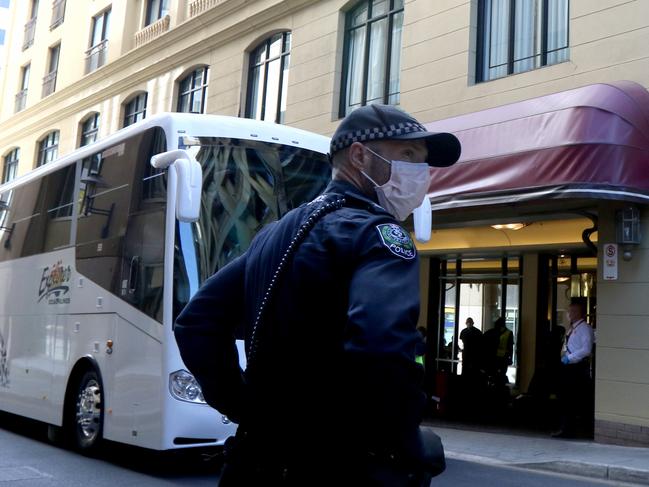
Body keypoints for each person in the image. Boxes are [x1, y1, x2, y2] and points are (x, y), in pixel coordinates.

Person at [174, 104, 461, 486]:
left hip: (254, 461)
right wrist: (406, 439)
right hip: (335, 463)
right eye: (408, 156)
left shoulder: (273, 234)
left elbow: (196, 323)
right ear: (360, 155)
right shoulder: (377, 235)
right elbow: (381, 346)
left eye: (423, 163)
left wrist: (247, 407)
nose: (419, 174)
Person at [552, 299, 595, 438]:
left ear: (578, 313)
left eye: (571, 311)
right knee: (564, 398)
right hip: (568, 367)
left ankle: (570, 429)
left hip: (576, 368)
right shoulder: (572, 328)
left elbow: (586, 349)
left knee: (572, 398)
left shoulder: (584, 329)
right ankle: (565, 427)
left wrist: (569, 358)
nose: (569, 314)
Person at [483, 317, 513, 386]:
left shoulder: (492, 332)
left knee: (498, 376)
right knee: (497, 376)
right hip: (496, 357)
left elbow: (510, 347)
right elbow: (510, 347)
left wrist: (510, 358)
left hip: (500, 358)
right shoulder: (506, 332)